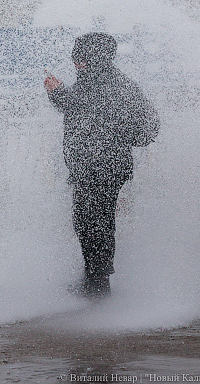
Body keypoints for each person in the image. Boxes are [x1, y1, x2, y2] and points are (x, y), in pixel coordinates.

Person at [44, 32, 159, 298]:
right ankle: (94, 277)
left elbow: (148, 124)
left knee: (96, 223)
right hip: (89, 166)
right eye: (76, 56)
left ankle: (98, 283)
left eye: (81, 56)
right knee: (88, 221)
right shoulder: (96, 80)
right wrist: (58, 93)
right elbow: (78, 106)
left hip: (105, 165)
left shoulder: (110, 83)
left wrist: (121, 139)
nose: (75, 61)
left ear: (96, 57)